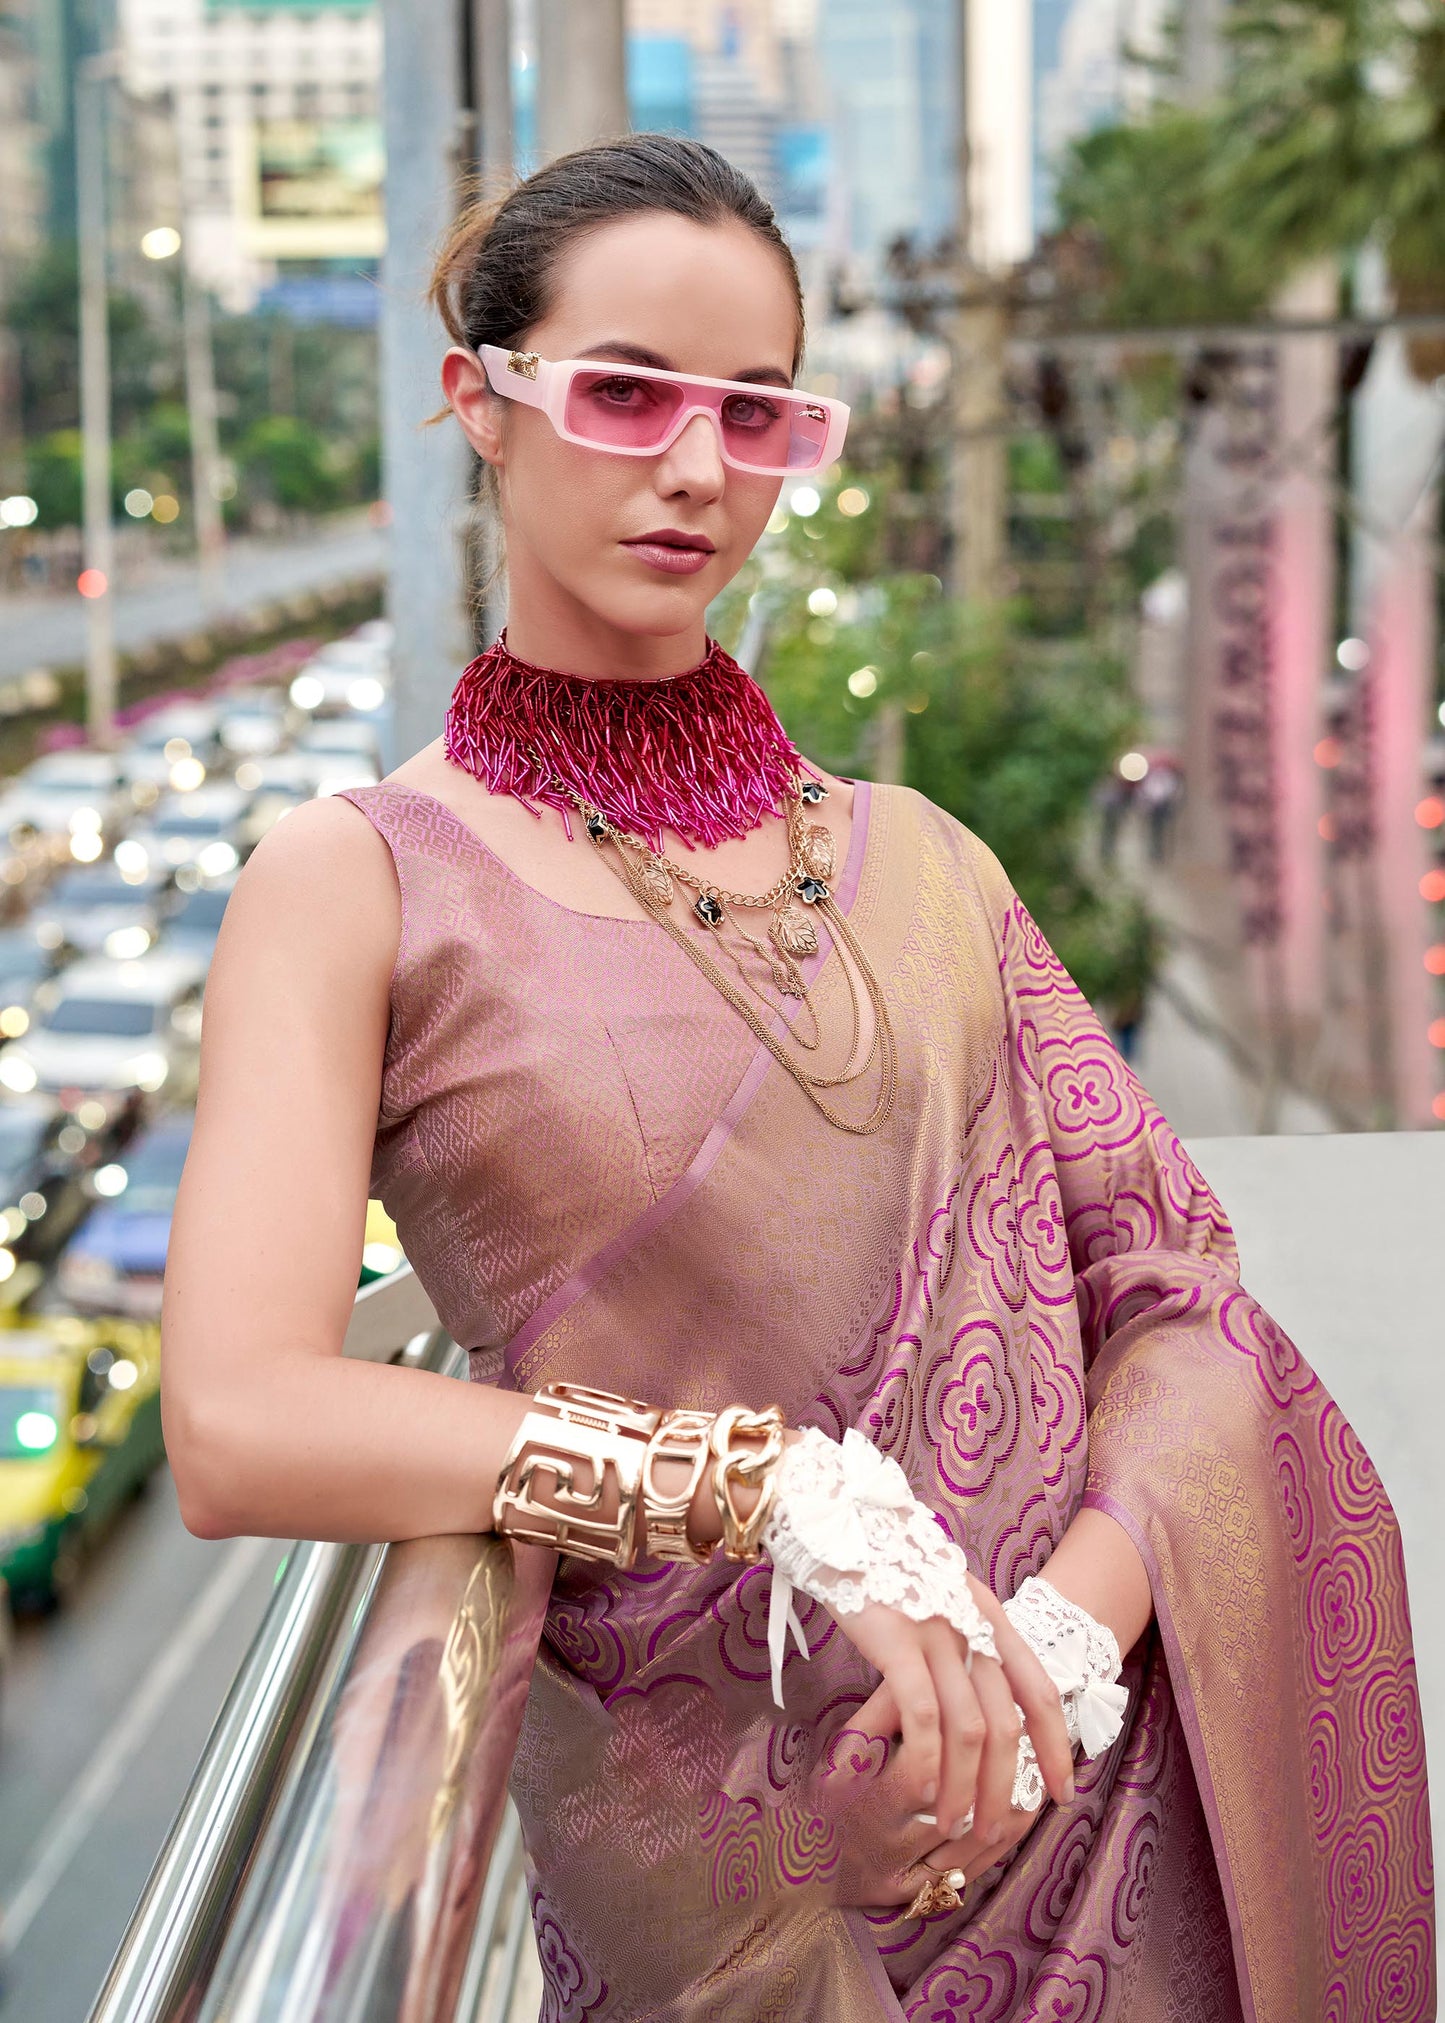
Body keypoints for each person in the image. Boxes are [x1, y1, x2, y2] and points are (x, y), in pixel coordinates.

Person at [161, 135, 1433, 2021]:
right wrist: (773, 1497)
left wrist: (1053, 1659)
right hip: (735, 1880)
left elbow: (1178, 1302)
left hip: (1078, 1813)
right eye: (624, 393)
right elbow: (242, 1423)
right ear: (480, 404)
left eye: (756, 415)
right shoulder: (354, 886)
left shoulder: (927, 863)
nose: (693, 470)